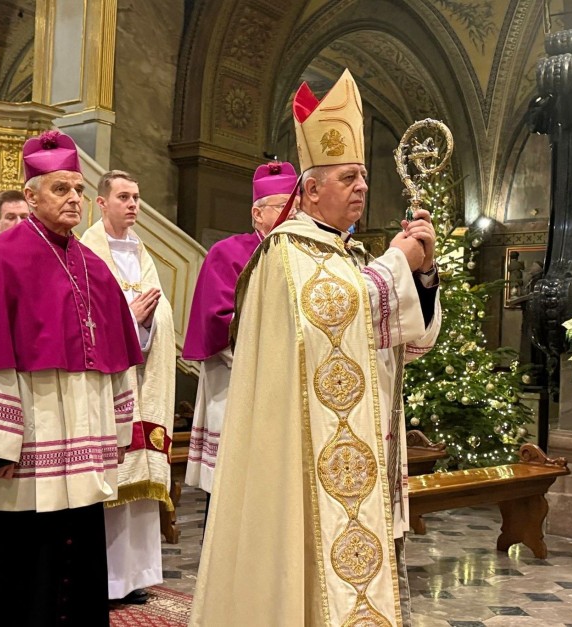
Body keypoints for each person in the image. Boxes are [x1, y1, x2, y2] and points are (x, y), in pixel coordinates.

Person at [189, 69, 442, 626]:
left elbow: (404, 340)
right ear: (310, 189)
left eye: (364, 178)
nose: (363, 187)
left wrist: (421, 279)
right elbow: (331, 316)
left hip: (352, 442)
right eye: (349, 177)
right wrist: (400, 263)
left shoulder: (346, 255)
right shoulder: (285, 252)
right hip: (300, 452)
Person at [0, 130, 144, 626]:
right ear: (30, 196)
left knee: (76, 562)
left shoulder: (94, 265)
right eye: (59, 189)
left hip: (82, 448)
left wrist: (116, 436)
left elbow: (115, 361)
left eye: (77, 188)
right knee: (14, 572)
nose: (73, 199)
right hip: (24, 452)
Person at [80, 170, 175, 605]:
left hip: (143, 375)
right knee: (111, 483)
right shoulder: (86, 253)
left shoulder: (142, 252)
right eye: (123, 197)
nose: (133, 204)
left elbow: (162, 309)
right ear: (102, 204)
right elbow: (87, 316)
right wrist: (127, 316)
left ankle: (134, 575)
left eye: (137, 197)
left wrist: (151, 319)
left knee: (137, 491)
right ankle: (104, 579)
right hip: (108, 385)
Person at [183, 161, 298, 502]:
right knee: (232, 499)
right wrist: (279, 350)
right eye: (284, 206)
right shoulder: (228, 254)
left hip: (290, 396)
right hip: (238, 390)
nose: (293, 214)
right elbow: (220, 322)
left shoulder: (306, 256)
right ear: (257, 213)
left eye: (297, 205)